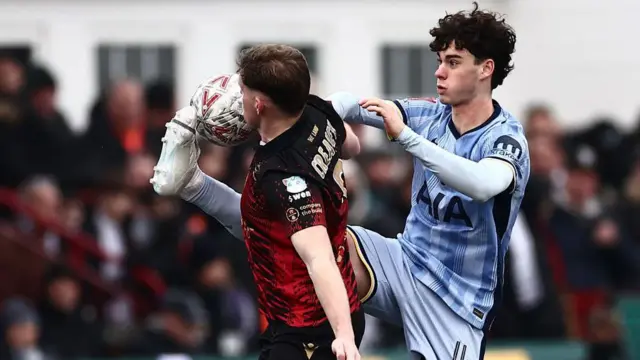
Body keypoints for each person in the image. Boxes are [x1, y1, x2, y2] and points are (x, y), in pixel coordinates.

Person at [154, 3, 530, 360]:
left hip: (456, 303)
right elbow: (352, 105)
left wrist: (408, 140)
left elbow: (482, 184)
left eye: (452, 63)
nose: (439, 73)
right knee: (297, 233)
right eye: (439, 62)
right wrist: (310, 116)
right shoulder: (430, 113)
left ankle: (339, 337)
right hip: (404, 261)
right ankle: (193, 184)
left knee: (307, 237)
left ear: (486, 69)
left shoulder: (506, 139)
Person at [152, 44, 364, 360]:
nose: (236, 97)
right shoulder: (317, 110)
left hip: (310, 330)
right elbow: (353, 147)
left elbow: (318, 258)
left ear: (259, 103)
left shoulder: (284, 177)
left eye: (241, 90)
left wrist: (343, 336)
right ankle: (192, 184)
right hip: (307, 319)